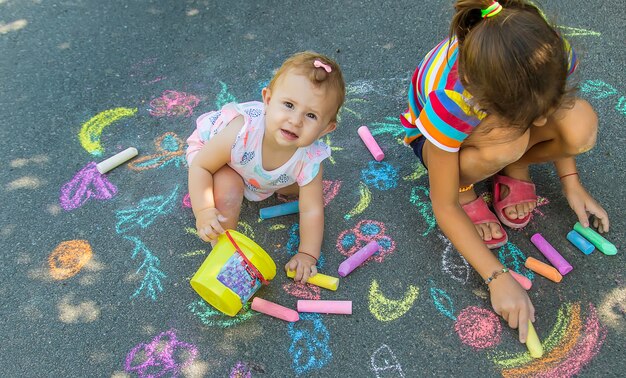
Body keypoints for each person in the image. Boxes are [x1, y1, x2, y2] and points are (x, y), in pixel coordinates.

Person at [400, 0, 609, 343]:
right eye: (528, 118)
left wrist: (571, 182)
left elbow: (550, 110)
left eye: (542, 111)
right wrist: (497, 277)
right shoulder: (454, 99)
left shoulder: (548, 53)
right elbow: (443, 206)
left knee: (580, 124)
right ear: (485, 103)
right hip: (437, 138)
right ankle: (474, 180)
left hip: (495, 115)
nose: (542, 122)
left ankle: (514, 160)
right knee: (507, 143)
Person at [186, 51, 345, 284]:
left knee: (304, 189)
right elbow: (201, 166)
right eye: (289, 105)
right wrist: (204, 211)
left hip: (254, 170)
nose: (295, 120)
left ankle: (262, 181)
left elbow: (312, 210)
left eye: (311, 115)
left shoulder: (310, 159)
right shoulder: (242, 131)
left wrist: (307, 255)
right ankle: (223, 250)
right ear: (268, 100)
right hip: (218, 155)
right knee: (229, 186)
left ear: (326, 129)